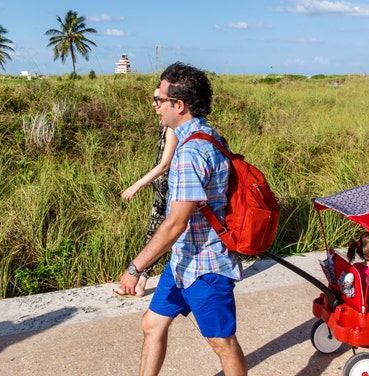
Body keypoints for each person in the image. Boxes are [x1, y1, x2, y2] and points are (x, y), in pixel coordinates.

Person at [115, 62, 247, 376]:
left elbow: (176, 223)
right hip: (182, 262)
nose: (154, 105)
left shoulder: (190, 153)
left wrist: (135, 268)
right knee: (151, 324)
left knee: (222, 344)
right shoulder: (208, 135)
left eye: (159, 99)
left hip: (206, 267)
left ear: (179, 105)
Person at [119, 86, 178, 297]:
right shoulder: (164, 124)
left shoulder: (172, 127)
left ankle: (141, 279)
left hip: (170, 190)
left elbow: (164, 164)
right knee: (156, 234)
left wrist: (136, 185)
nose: (155, 104)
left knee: (159, 235)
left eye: (158, 99)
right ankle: (143, 280)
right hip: (161, 189)